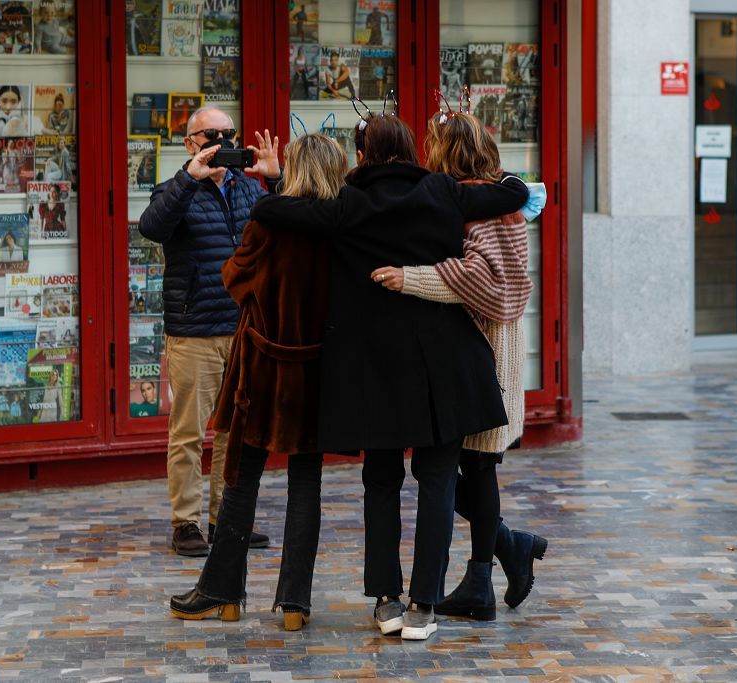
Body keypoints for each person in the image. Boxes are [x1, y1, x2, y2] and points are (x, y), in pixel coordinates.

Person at [251, 114, 529, 641]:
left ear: (363, 156)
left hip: (372, 369)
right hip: (444, 362)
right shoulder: (445, 191)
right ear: (410, 150)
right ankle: (426, 603)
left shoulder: (346, 205)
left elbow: (272, 209)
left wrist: (273, 176)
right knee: (438, 480)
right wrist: (495, 173)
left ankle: (387, 600)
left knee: (381, 482)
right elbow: (513, 192)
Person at [371, 110, 548, 621]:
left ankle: (484, 577)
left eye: (433, 144)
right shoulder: (493, 197)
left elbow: (485, 283)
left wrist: (411, 278)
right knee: (466, 469)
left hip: (485, 350)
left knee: (466, 469)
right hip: (489, 348)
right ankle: (503, 556)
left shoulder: (481, 208)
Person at [169, 133, 341, 631]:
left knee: (241, 477)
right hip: (316, 372)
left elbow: (235, 277)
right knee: (307, 483)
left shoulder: (269, 220)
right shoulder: (341, 226)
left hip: (262, 370)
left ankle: (222, 591)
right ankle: (295, 603)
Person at [138, 106, 281, 557]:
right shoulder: (176, 189)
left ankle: (226, 518)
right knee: (188, 432)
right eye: (210, 134)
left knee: (233, 432)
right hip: (194, 330)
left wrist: (275, 180)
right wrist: (189, 178)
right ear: (190, 143)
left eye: (228, 133)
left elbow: (287, 226)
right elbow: (152, 227)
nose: (221, 141)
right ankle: (186, 523)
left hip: (241, 329)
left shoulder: (248, 189)